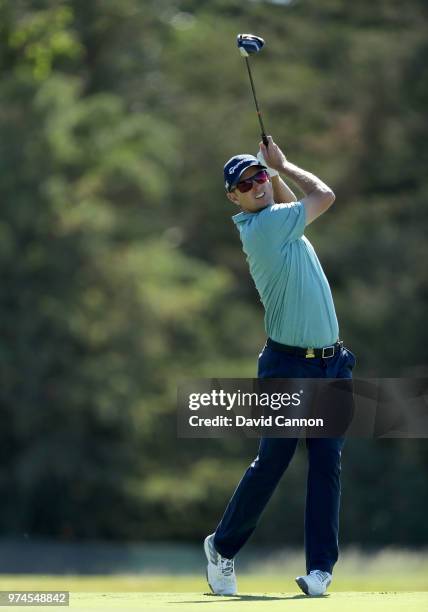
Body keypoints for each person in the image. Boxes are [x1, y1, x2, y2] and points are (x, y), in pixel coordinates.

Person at [204, 136, 356, 597]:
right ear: (234, 198)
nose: (256, 185)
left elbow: (290, 204)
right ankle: (222, 548)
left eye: (259, 175)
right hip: (288, 366)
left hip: (332, 365)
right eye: (245, 183)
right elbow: (324, 196)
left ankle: (320, 571)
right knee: (274, 460)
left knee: (326, 464)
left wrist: (274, 173)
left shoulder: (280, 221)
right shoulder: (265, 226)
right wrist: (285, 164)